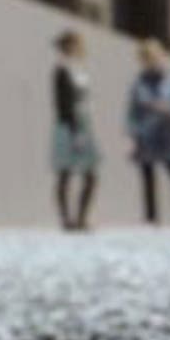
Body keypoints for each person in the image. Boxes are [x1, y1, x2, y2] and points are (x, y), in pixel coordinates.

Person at [126, 39, 170, 228]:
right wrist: (132, 137)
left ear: (162, 57)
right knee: (148, 178)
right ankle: (151, 220)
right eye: (147, 58)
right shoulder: (138, 84)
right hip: (146, 135)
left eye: (155, 57)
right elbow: (132, 112)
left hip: (168, 135)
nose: (152, 61)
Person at [51, 30, 99, 232]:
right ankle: (67, 219)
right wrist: (74, 130)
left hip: (84, 124)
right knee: (66, 172)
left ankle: (80, 218)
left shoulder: (79, 69)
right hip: (69, 126)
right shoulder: (62, 69)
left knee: (89, 175)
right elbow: (63, 103)